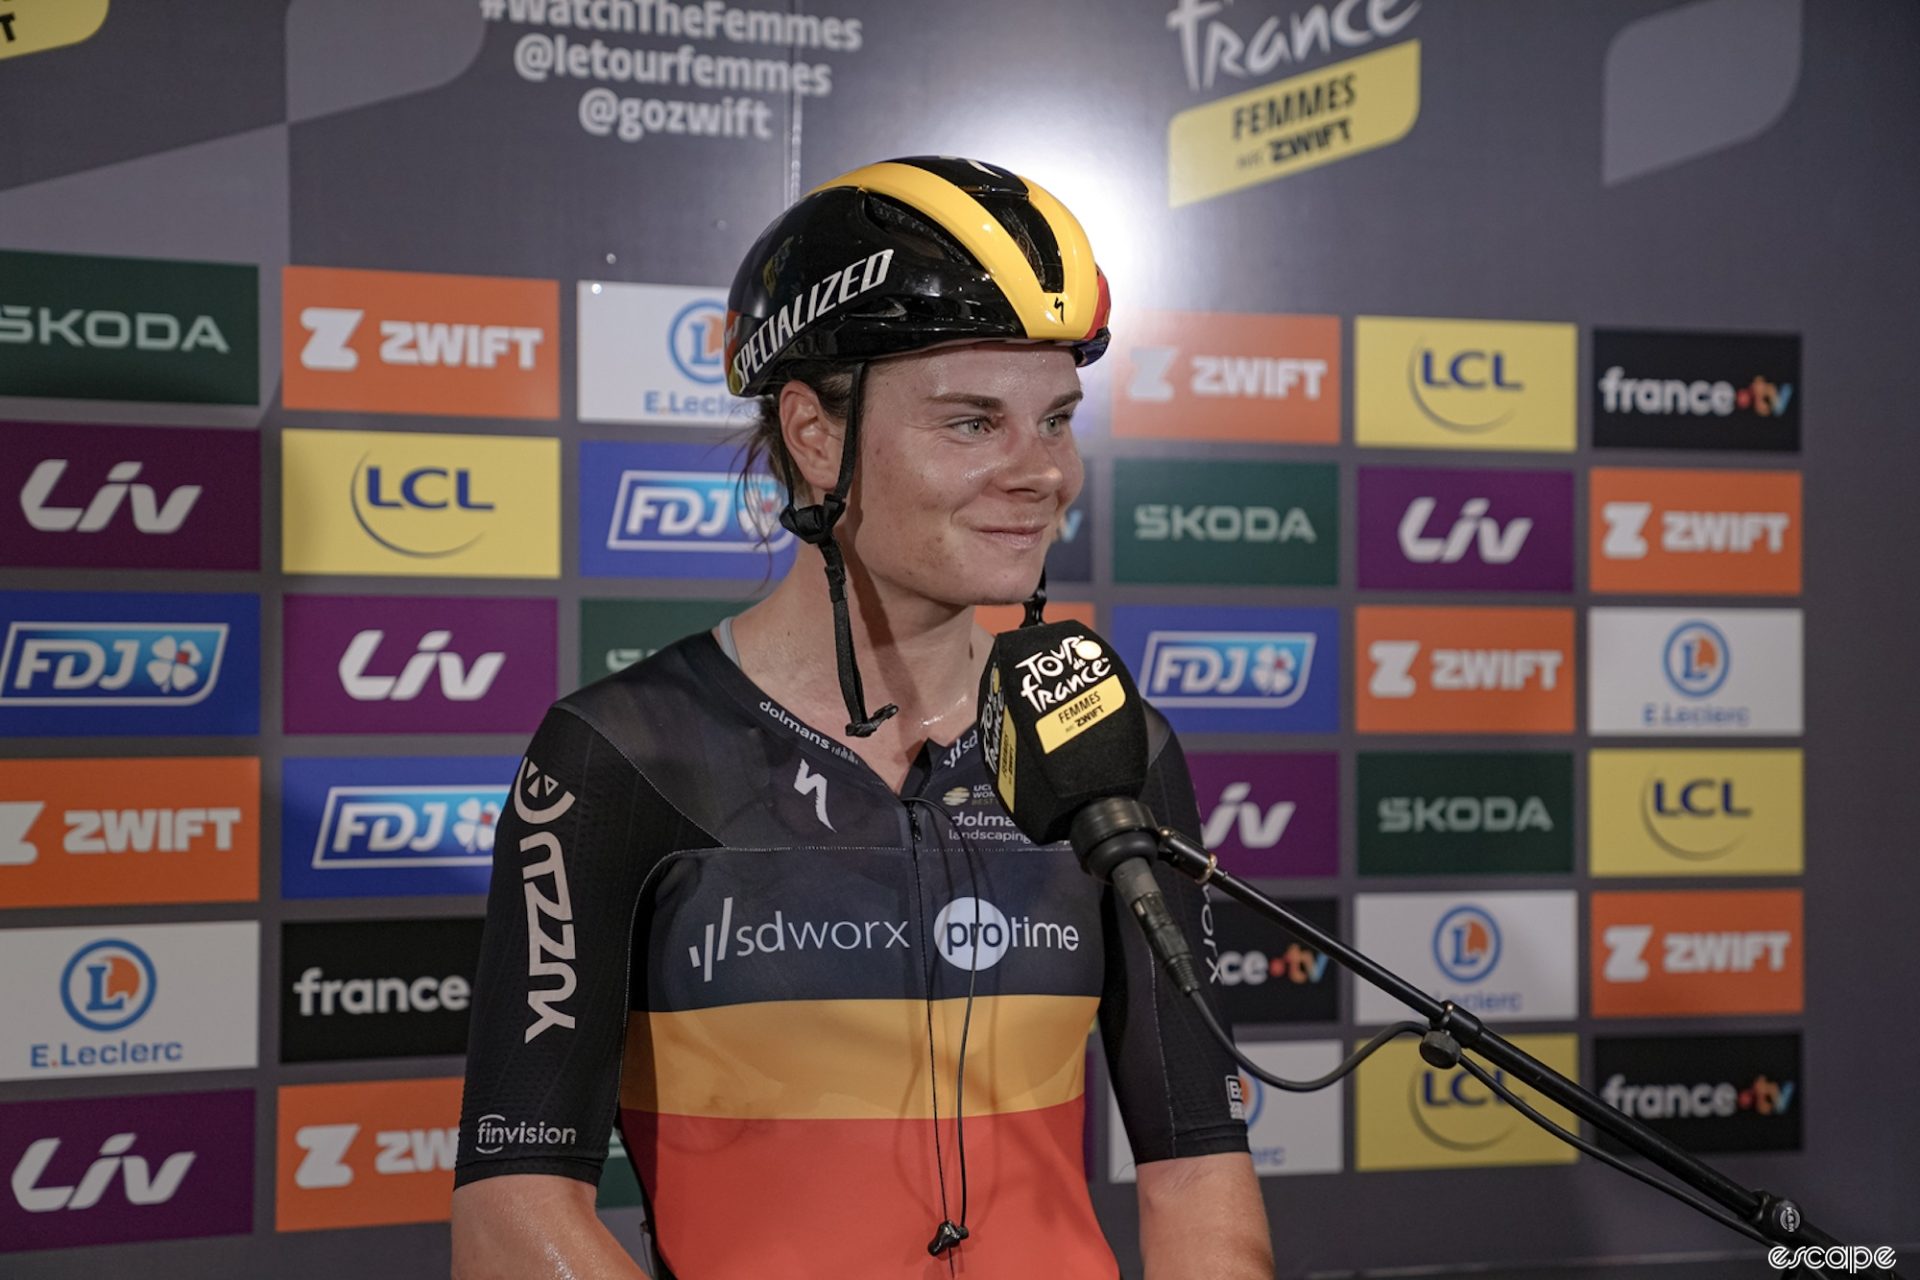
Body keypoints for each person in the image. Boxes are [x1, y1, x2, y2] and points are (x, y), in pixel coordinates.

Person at [449, 155, 1274, 1279]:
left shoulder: (1105, 740)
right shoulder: (623, 754)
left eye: (1057, 420)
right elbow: (508, 1215)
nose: (1041, 473)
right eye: (974, 421)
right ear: (814, 434)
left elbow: (1197, 1168)